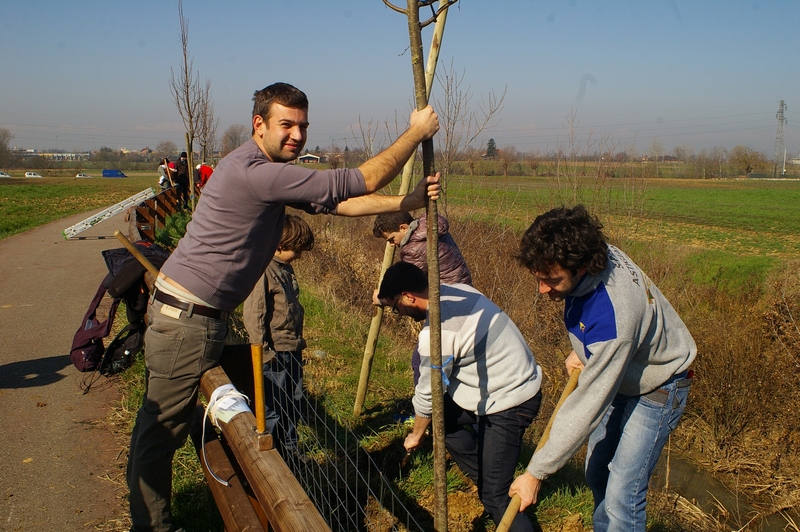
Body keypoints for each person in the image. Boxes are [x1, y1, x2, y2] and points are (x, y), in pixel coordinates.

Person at [126, 81, 440, 532]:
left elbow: (341, 202)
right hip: (188, 321)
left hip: (189, 315)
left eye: (303, 126)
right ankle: (153, 527)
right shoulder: (260, 173)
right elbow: (363, 179)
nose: (297, 135)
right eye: (286, 124)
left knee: (162, 424)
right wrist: (415, 133)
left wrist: (406, 203)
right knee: (160, 432)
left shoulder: (260, 169)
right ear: (259, 124)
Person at [509, 205, 696, 532]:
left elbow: (586, 406)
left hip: (660, 384)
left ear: (582, 268)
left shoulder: (615, 317)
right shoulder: (594, 251)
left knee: (624, 492)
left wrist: (535, 473)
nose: (541, 290)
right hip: (623, 368)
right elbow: (596, 327)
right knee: (596, 472)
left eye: (551, 280)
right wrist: (583, 348)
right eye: (538, 278)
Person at [377, 261, 542, 532]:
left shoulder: (441, 330)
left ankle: (494, 493)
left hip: (511, 400)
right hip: (502, 382)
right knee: (445, 421)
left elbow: (428, 394)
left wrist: (416, 435)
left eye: (396, 308)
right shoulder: (453, 290)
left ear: (408, 296)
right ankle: (484, 475)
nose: (400, 313)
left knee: (496, 497)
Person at [372, 211, 472, 386]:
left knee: (422, 361)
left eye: (391, 238)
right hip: (463, 292)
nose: (392, 244)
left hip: (445, 301)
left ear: (403, 227)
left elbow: (407, 287)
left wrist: (382, 299)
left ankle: (426, 411)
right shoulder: (429, 225)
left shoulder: (413, 249)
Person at [242, 214, 313, 460]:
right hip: (274, 353)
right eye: (297, 250)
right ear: (280, 246)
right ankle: (271, 459)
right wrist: (262, 350)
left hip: (292, 346)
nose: (300, 256)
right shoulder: (263, 271)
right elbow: (255, 313)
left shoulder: (284, 267)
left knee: (294, 399)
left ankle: (290, 449)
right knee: (273, 406)